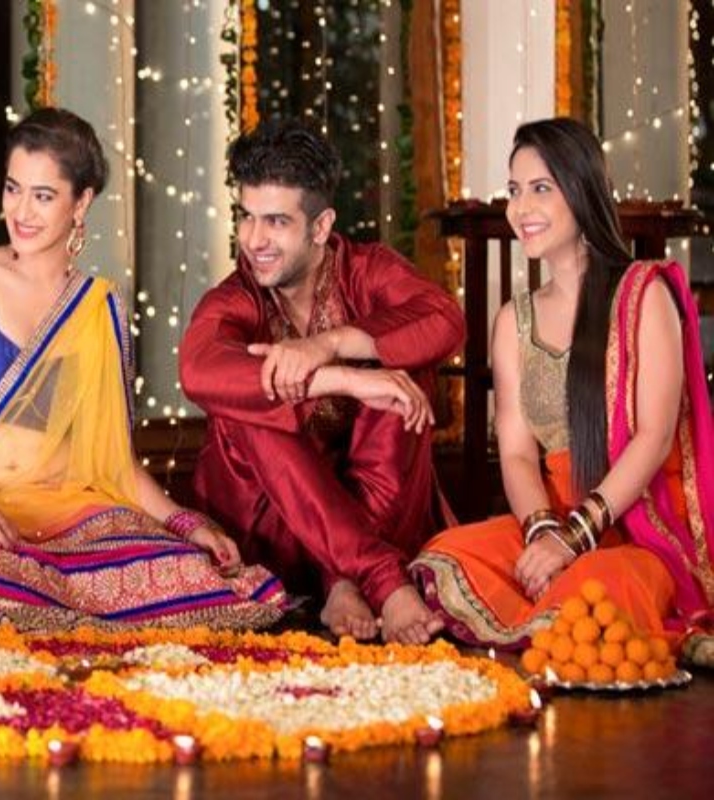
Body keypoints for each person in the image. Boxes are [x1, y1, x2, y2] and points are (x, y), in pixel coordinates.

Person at [0, 107, 291, 630]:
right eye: (13, 189)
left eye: (44, 196)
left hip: (74, 511)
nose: (21, 211)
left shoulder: (97, 305)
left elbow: (117, 464)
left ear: (81, 202)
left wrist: (185, 523)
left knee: (188, 572)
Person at [410, 118, 714, 648]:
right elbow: (517, 455)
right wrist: (543, 532)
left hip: (640, 525)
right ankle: (551, 617)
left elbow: (655, 437)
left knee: (598, 586)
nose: (520, 208)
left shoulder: (644, 295)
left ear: (581, 190)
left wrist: (575, 539)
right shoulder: (513, 322)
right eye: (514, 190)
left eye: (540, 188)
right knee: (449, 554)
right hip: (554, 514)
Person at [178, 120, 465, 644]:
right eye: (246, 217)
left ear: (320, 226)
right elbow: (197, 368)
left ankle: (343, 580)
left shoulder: (366, 271)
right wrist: (341, 380)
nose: (254, 240)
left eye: (276, 221)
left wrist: (331, 345)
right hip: (272, 531)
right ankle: (377, 578)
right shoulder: (238, 297)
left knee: (402, 370)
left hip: (376, 512)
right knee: (246, 402)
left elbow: (446, 319)